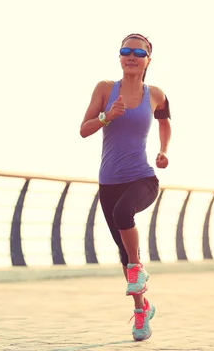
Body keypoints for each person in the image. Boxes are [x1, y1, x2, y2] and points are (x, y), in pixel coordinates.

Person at [79, 33, 171, 341]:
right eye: (125, 51)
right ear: (120, 57)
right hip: (109, 181)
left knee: (123, 213)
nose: (131, 56)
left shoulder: (155, 94)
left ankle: (136, 267)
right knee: (122, 251)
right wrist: (107, 116)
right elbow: (83, 130)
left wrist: (164, 150)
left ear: (148, 60)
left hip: (142, 177)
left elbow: (165, 122)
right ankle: (142, 311)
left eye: (138, 52)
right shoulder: (105, 89)